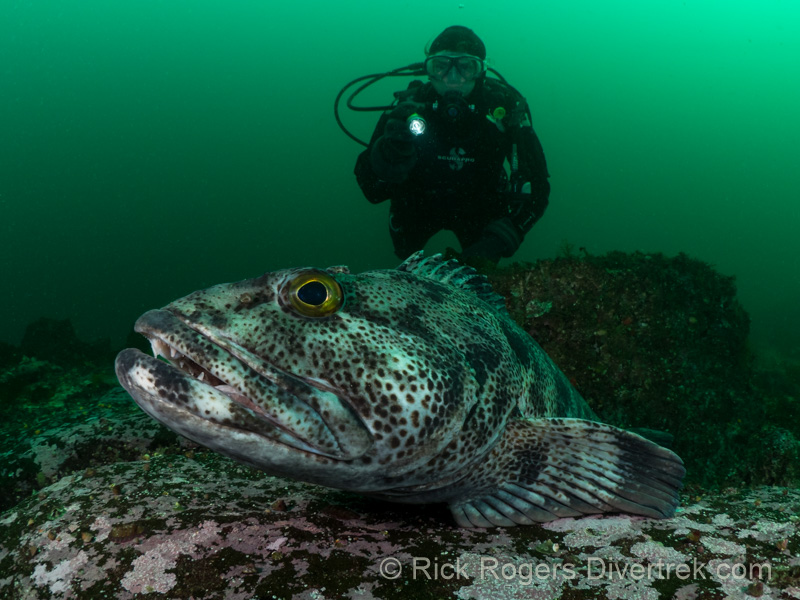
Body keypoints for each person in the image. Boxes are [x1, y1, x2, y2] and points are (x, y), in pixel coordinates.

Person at [354, 25, 550, 265]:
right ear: (428, 70)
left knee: (479, 269)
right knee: (406, 261)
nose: (454, 78)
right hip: (417, 203)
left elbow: (538, 187)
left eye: (466, 67)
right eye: (441, 66)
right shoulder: (409, 107)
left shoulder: (504, 108)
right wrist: (384, 158)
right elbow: (372, 191)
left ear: (481, 70)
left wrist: (502, 237)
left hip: (480, 205)